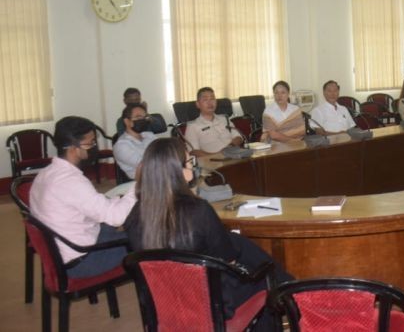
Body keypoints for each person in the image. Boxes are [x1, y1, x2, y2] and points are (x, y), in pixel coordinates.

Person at [124, 138, 293, 330]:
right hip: (213, 305)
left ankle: (287, 283)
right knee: (264, 278)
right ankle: (288, 286)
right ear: (177, 171)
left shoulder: (135, 216)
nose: (193, 167)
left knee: (238, 243)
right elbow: (227, 259)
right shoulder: (198, 210)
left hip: (165, 305)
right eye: (190, 163)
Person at [29, 116, 134, 278]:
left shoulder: (45, 173)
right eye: (90, 143)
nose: (94, 147)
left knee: (132, 224)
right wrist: (138, 186)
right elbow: (116, 217)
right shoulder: (71, 181)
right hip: (82, 260)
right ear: (73, 147)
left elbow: (85, 205)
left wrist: (117, 200)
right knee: (147, 237)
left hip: (67, 247)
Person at [184, 87, 243, 156]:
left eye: (212, 99)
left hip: (234, 156)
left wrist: (230, 147)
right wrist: (217, 156)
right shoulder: (192, 126)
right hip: (213, 162)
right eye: (205, 99)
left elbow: (239, 138)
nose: (210, 103)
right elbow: (193, 151)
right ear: (198, 104)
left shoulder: (225, 119)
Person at [113, 103, 157, 179]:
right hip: (142, 182)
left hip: (160, 174)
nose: (142, 120)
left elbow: (164, 152)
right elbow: (146, 165)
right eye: (138, 117)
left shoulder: (149, 135)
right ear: (127, 121)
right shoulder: (121, 146)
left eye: (144, 117)